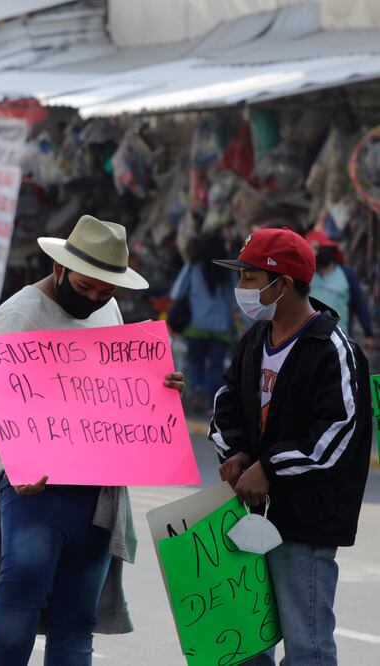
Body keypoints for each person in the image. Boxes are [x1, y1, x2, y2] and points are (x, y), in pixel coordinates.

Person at [0, 215, 186, 666]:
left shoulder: (107, 311)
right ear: (60, 268)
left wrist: (159, 386)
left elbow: (115, 388)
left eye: (106, 291)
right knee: (21, 599)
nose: (94, 298)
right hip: (35, 489)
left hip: (97, 487)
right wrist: (17, 464)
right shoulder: (18, 316)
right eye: (87, 286)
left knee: (77, 618)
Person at [209, 228, 372, 666]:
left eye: (249, 277)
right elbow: (226, 401)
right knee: (246, 643)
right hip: (248, 516)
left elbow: (337, 433)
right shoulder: (253, 342)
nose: (240, 288)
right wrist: (237, 454)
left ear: (281, 284)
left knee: (307, 646)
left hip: (305, 525)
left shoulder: (333, 350)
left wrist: (269, 467)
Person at [169, 234, 238, 415]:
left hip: (196, 326)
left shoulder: (194, 268)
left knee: (195, 364)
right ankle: (211, 403)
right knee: (217, 367)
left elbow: (176, 292)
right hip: (221, 328)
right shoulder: (228, 273)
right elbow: (234, 302)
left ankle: (195, 392)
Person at [305, 230, 375, 350]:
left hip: (339, 342)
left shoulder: (346, 274)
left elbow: (360, 304)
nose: (314, 253)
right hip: (309, 339)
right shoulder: (307, 275)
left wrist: (368, 333)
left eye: (316, 248)